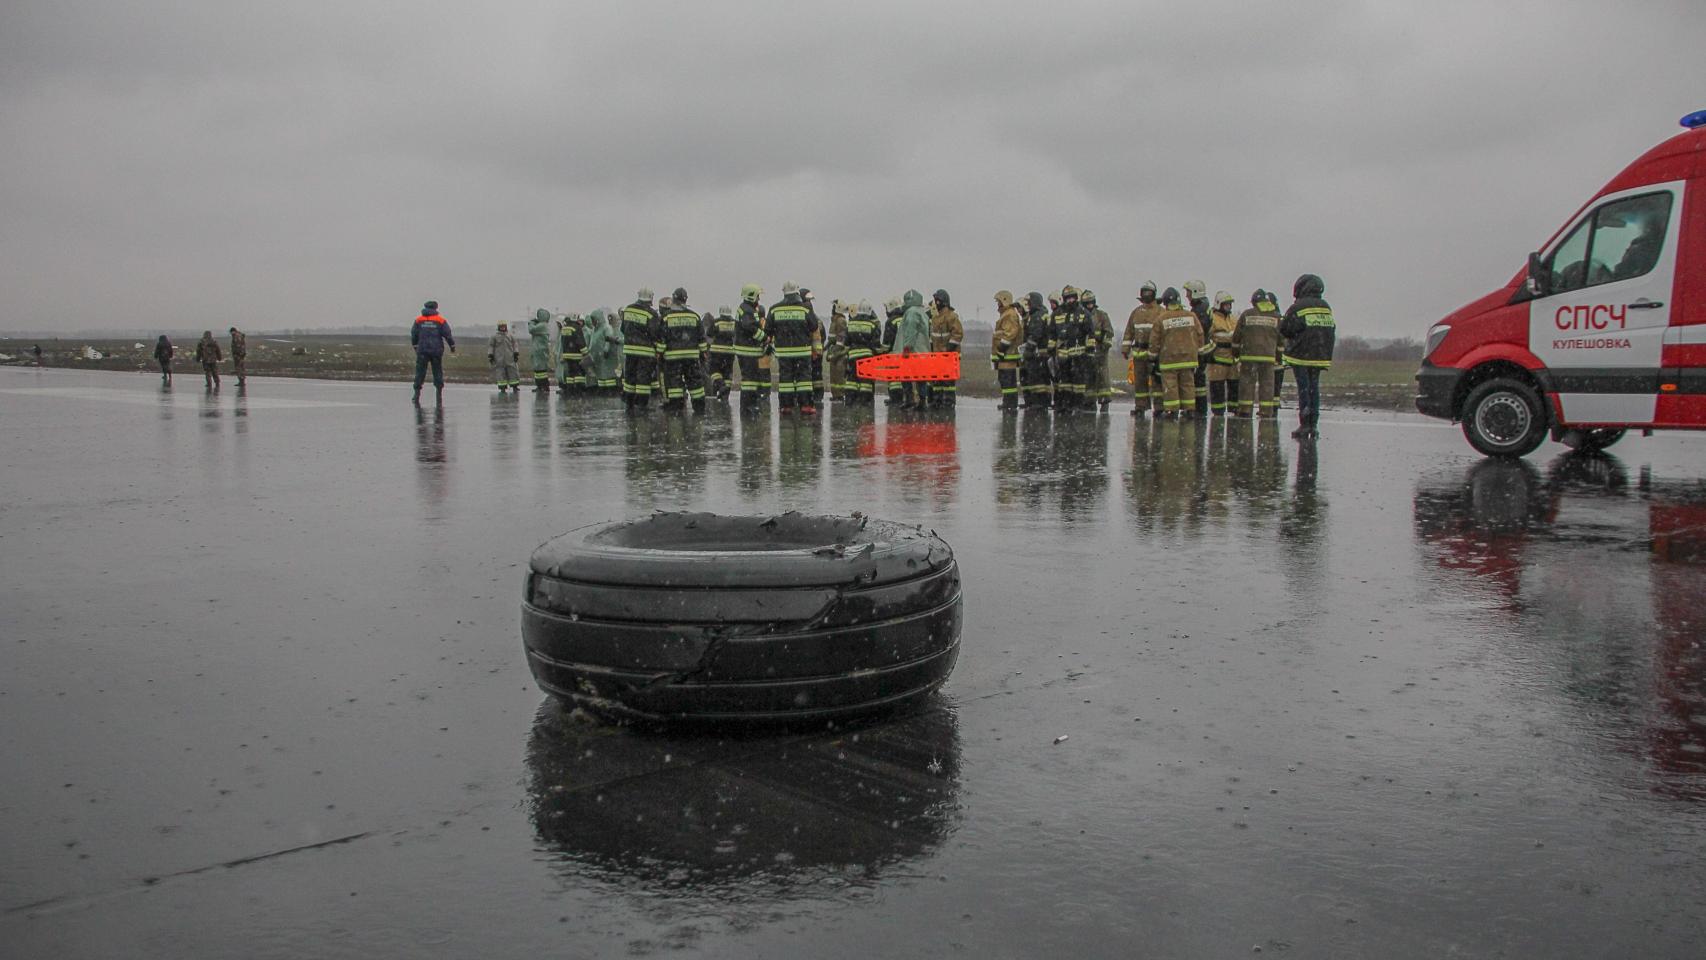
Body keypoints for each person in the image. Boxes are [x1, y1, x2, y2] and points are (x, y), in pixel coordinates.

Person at [1279, 273, 1336, 439]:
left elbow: (1285, 328)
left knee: (1304, 389)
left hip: (1302, 355)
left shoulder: (1298, 307)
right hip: (1320, 355)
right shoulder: (1326, 306)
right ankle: (1313, 424)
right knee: (1314, 388)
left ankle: (1304, 423)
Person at [1148, 287, 1202, 418]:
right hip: (1188, 360)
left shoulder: (1161, 319)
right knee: (1188, 385)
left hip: (1169, 360)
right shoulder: (1191, 316)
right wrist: (1198, 352)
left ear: (1165, 303)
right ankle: (1189, 410)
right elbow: (1200, 335)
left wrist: (1152, 358)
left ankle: (1172, 411)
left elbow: (1154, 341)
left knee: (1170, 386)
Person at [768, 282, 816, 414]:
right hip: (802, 351)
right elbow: (814, 326)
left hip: (784, 352)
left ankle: (786, 406)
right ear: (797, 292)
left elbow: (768, 330)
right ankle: (806, 405)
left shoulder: (774, 309)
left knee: (786, 379)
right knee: (804, 379)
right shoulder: (805, 309)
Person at [1233, 289, 1282, 418]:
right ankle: (1266, 411)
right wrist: (1278, 357)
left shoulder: (1246, 315)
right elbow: (1281, 341)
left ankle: (1245, 410)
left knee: (1247, 383)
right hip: (1268, 358)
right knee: (1267, 385)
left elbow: (1236, 337)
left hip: (1248, 357)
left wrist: (1236, 353)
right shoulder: (1276, 316)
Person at [659, 287, 709, 413]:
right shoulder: (694, 316)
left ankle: (676, 408)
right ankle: (699, 407)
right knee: (695, 383)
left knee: (674, 384)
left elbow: (662, 339)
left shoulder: (666, 318)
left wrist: (659, 353)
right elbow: (702, 339)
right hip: (691, 358)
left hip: (672, 359)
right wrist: (703, 354)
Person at [1122, 281, 1162, 417]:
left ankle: (1159, 407)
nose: (1146, 295)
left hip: (1154, 354)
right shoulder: (1136, 313)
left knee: (1157, 382)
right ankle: (1141, 406)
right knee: (1140, 382)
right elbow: (1129, 332)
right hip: (1139, 353)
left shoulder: (1161, 312)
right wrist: (1125, 349)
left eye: (1148, 292)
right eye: (1144, 292)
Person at [620, 288, 663, 411]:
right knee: (643, 380)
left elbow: (623, 329)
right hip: (646, 352)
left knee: (630, 379)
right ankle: (642, 405)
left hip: (629, 350)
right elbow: (655, 333)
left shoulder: (628, 309)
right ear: (651, 298)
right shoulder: (651, 313)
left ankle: (629, 404)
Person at [1049, 286, 1087, 412]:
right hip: (1062, 354)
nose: (1070, 301)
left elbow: (1089, 332)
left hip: (1079, 353)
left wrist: (1090, 349)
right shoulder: (1057, 314)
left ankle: (1078, 404)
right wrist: (1051, 347)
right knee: (1064, 381)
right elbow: (1052, 333)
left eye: (1072, 298)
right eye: (1068, 298)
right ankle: (1065, 403)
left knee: (1078, 382)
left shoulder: (1082, 313)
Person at [411, 300, 455, 406]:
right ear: (435, 308)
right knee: (437, 372)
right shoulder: (440, 320)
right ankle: (439, 394)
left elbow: (414, 334)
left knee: (420, 372)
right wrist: (452, 345)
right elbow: (447, 334)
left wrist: (415, 345)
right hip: (436, 350)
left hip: (423, 350)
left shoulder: (418, 320)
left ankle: (416, 394)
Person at [734, 284, 769, 413]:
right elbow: (751, 328)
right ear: (752, 296)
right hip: (747, 350)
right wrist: (764, 337)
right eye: (757, 296)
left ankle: (750, 404)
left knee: (751, 378)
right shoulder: (747, 310)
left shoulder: (745, 309)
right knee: (749, 379)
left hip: (747, 349)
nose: (758, 299)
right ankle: (748, 405)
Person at [895, 289, 933, 409]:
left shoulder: (911, 312)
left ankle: (910, 399)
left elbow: (911, 330)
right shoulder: (922, 313)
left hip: (912, 352)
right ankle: (922, 400)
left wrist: (907, 347)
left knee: (906, 375)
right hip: (922, 351)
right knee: (920, 377)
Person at [927, 289, 963, 407]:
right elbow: (934, 337)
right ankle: (937, 402)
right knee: (937, 380)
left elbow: (957, 334)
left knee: (948, 381)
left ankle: (948, 402)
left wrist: (949, 349)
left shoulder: (951, 317)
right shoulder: (936, 318)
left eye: (937, 300)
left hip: (949, 355)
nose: (936, 303)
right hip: (937, 356)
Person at [1206, 292, 1240, 415]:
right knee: (1217, 390)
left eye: (1230, 304)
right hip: (1217, 361)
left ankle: (1233, 411)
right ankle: (1218, 413)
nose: (1229, 307)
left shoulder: (1233, 319)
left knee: (1234, 390)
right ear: (1219, 304)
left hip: (1232, 362)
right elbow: (1206, 337)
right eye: (1226, 304)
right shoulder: (1212, 319)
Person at [843, 300, 881, 405]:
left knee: (852, 378)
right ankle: (865, 400)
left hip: (852, 356)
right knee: (866, 380)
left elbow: (846, 343)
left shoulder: (851, 324)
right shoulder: (872, 325)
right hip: (866, 357)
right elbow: (876, 345)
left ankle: (850, 399)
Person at [992, 290, 1024, 411]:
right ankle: (1008, 402)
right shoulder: (1007, 314)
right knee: (1005, 380)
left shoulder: (1009, 314)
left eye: (999, 302)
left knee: (1008, 381)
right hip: (1005, 355)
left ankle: (1010, 403)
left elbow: (1009, 334)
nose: (998, 304)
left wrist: (1001, 348)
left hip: (1007, 354)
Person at [1082, 290, 1115, 409]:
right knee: (1088, 377)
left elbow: (1109, 332)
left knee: (1103, 378)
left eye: (1091, 302)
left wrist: (1105, 345)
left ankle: (1104, 401)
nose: (1089, 305)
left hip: (1100, 351)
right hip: (1087, 352)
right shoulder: (1082, 316)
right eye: (1087, 303)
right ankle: (1089, 401)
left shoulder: (1102, 315)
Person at [1183, 279, 1211, 416]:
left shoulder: (1200, 311)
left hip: (1200, 351)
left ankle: (1199, 409)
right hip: (1201, 349)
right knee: (1198, 379)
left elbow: (1198, 330)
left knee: (1198, 380)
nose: (1186, 296)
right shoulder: (1202, 308)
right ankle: (1199, 408)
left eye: (1188, 292)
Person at [1021, 291, 1052, 408]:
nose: (1028, 305)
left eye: (1029, 302)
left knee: (1038, 379)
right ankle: (1042, 401)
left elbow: (1035, 335)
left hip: (1039, 353)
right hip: (1041, 353)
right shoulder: (1041, 314)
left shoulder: (1037, 316)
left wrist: (1029, 349)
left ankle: (1039, 402)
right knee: (1042, 379)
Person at [706, 305, 737, 400]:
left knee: (714, 371)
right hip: (730, 352)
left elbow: (709, 334)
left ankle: (721, 386)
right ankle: (725, 393)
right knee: (727, 373)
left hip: (717, 352)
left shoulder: (716, 322)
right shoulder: (735, 323)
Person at [880, 296, 907, 406]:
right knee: (904, 377)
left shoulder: (891, 322)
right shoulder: (905, 318)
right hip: (905, 353)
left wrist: (882, 352)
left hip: (894, 355)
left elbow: (887, 342)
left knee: (894, 379)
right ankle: (904, 398)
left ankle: (895, 399)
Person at [802, 288, 826, 402]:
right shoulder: (812, 319)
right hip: (811, 353)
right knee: (812, 376)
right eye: (807, 301)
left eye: (809, 301)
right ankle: (815, 396)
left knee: (815, 376)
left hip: (812, 353)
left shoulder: (815, 319)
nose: (809, 303)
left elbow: (823, 335)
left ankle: (816, 396)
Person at [825, 299, 850, 400]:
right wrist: (826, 348)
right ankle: (836, 394)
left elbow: (840, 340)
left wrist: (835, 353)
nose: (832, 309)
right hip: (834, 351)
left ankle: (839, 395)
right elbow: (832, 338)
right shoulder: (835, 320)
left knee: (839, 374)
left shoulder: (840, 321)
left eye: (834, 307)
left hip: (838, 353)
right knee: (834, 375)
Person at [557, 311, 587, 393]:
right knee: (578, 374)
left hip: (567, 355)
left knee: (570, 373)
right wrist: (585, 352)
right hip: (576, 355)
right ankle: (578, 389)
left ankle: (570, 389)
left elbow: (562, 342)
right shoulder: (577, 328)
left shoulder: (565, 328)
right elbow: (580, 341)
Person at [488, 321, 520, 392]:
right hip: (499, 359)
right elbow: (491, 346)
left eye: (504, 326)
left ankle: (515, 386)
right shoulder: (494, 337)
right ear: (499, 327)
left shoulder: (510, 335)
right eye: (501, 326)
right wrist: (490, 355)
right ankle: (502, 387)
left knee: (513, 372)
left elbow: (515, 344)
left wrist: (516, 353)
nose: (503, 328)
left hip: (510, 358)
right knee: (500, 373)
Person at [527, 309, 553, 393]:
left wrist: (531, 323)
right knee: (538, 371)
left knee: (541, 371)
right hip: (539, 350)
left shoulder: (542, 325)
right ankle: (540, 386)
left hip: (540, 351)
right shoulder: (543, 325)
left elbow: (531, 330)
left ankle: (543, 386)